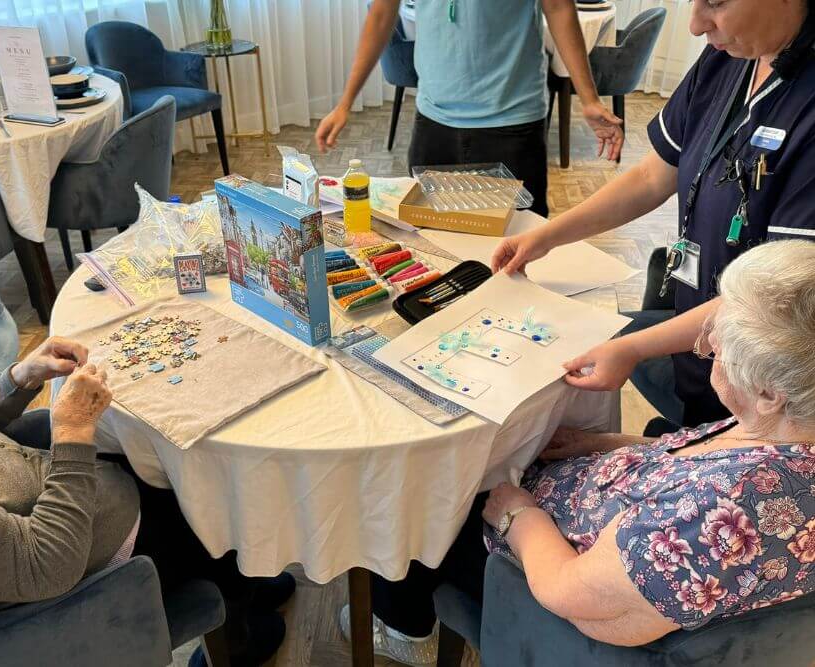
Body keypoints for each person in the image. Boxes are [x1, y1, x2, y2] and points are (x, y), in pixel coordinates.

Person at [346, 240, 815, 665]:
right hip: (594, 507)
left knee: (417, 501)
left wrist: (518, 515)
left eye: (722, 340)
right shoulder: (788, 428)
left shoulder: (717, 515)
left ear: (770, 391)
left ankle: (404, 630)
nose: (708, 341)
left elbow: (571, 593)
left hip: (538, 574)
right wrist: (603, 444)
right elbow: (701, 456)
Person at [0, 251, 291, 667]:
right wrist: (73, 431)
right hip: (90, 574)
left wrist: (24, 374)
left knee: (180, 476)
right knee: (220, 512)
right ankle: (239, 639)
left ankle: (242, 589)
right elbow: (46, 567)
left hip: (62, 499)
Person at [492, 0, 815, 429]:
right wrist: (549, 236)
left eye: (715, 4)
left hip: (758, 385)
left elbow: (773, 301)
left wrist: (634, 350)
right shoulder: (730, 57)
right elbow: (652, 176)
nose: (697, 26)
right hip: (699, 332)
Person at [314, 0, 625, 217]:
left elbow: (558, 7)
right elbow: (382, 13)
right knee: (432, 240)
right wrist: (345, 103)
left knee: (516, 249)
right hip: (433, 122)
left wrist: (589, 98)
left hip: (512, 121)